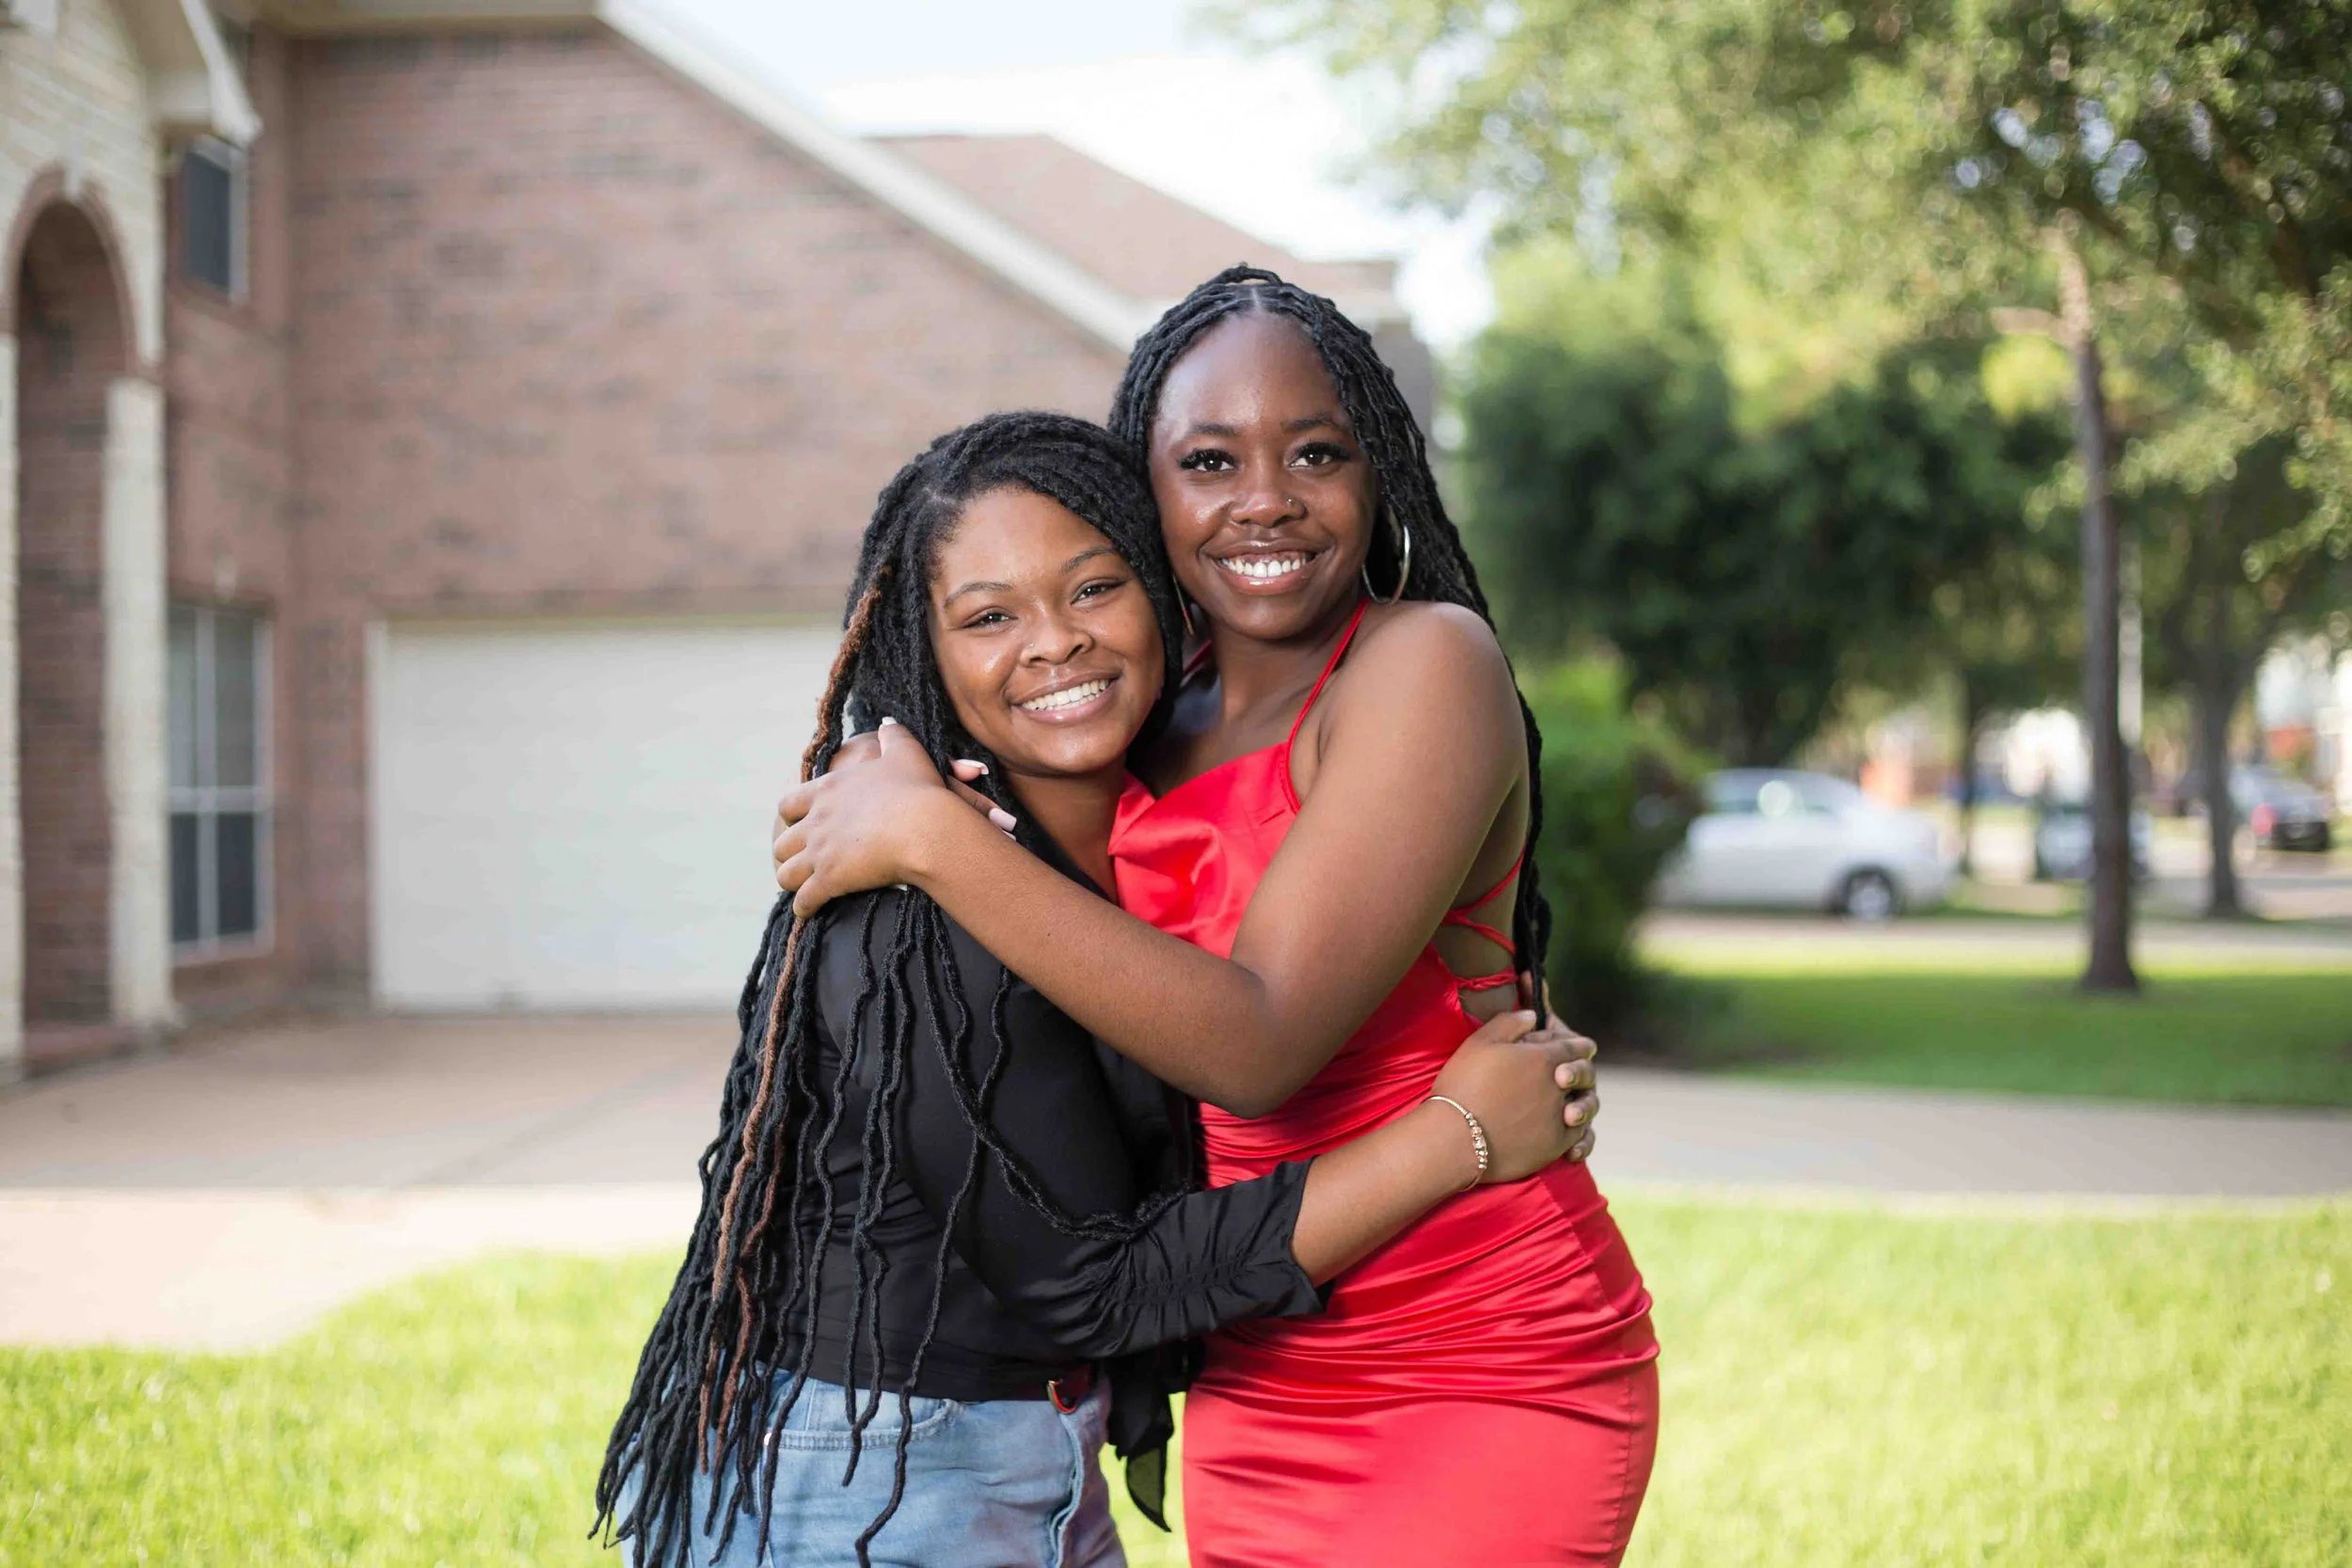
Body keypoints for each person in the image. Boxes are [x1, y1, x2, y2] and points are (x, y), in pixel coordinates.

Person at [596, 411, 1598, 1568]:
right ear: (927, 653)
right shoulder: (914, 921)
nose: (1054, 643)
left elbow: (1330, 925)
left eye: (1093, 587)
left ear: (1164, 594)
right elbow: (1092, 1281)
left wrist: (1494, 1014)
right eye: (988, 616)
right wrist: (1461, 1133)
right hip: (863, 1481)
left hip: (1024, 1455)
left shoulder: (1093, 853)